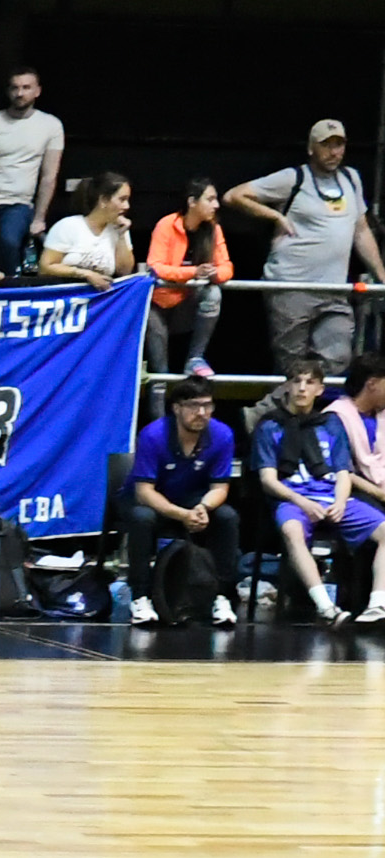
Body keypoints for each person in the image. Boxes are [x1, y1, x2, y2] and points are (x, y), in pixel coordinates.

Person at [229, 122, 382, 377]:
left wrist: (381, 274)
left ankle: (287, 408)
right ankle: (266, 413)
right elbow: (236, 195)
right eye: (326, 145)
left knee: (339, 357)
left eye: (339, 144)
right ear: (312, 148)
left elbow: (362, 230)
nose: (334, 152)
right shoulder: (294, 177)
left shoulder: (351, 179)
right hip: (291, 287)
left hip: (333, 290)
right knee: (292, 367)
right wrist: (275, 217)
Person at [251, 361, 371, 624]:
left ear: (319, 389)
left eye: (309, 382)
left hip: (331, 495)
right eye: (296, 381)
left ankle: (378, 605)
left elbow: (343, 472)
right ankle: (326, 608)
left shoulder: (330, 423)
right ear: (287, 386)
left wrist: (340, 501)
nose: (301, 388)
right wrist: (302, 502)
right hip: (293, 498)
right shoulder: (270, 425)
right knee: (292, 531)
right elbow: (268, 480)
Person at [126, 377, 241, 629]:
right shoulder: (153, 435)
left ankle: (221, 596)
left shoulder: (222, 435)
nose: (201, 413)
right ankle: (140, 597)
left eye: (207, 405)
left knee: (228, 517)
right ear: (176, 408)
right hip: (157, 501)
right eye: (193, 406)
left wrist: (204, 508)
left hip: (194, 500)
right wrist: (181, 515)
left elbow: (220, 487)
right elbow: (144, 491)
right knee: (140, 517)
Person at [0, 68, 64, 273]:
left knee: (8, 241)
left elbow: (49, 176)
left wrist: (39, 217)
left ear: (37, 91)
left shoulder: (51, 125)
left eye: (26, 88)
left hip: (17, 203)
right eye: (15, 88)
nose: (20, 93)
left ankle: (10, 292)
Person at [145, 178, 232, 377]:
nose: (216, 205)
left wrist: (214, 274)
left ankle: (195, 358)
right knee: (160, 370)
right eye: (210, 199)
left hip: (187, 305)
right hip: (159, 305)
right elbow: (155, 267)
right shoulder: (166, 224)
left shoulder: (213, 229)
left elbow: (227, 267)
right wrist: (193, 272)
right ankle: (158, 408)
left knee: (213, 292)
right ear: (192, 202)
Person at [327, 355, 385, 625]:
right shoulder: (337, 417)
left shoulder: (382, 415)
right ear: (372, 384)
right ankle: (376, 602)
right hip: (352, 491)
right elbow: (341, 469)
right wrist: (378, 492)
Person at [38, 172, 132, 286]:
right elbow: (45, 267)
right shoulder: (68, 226)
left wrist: (122, 236)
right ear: (103, 200)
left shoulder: (119, 229)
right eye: (122, 199)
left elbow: (124, 271)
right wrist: (85, 274)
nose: (127, 206)